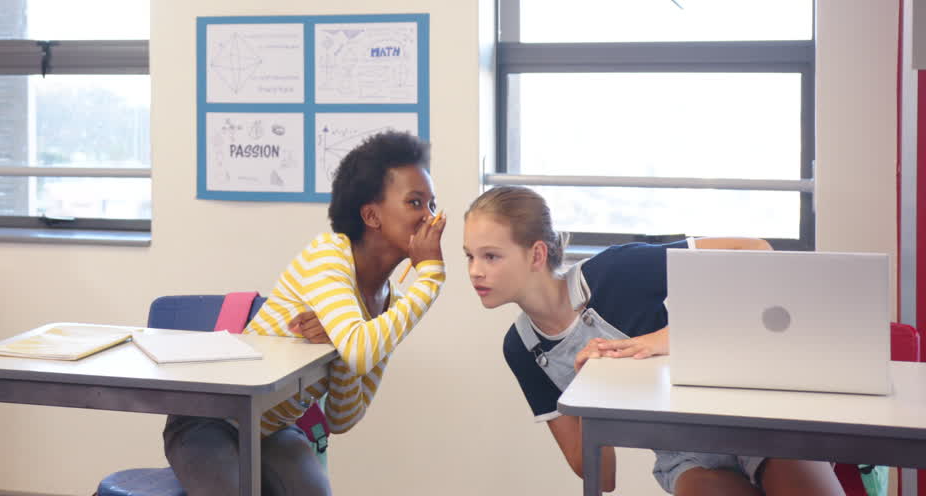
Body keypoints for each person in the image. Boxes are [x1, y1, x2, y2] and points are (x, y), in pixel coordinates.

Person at [463, 185, 843, 496]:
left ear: (536, 255)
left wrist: (669, 338)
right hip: (688, 457)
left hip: (754, 420)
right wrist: (587, 392)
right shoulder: (522, 348)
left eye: (491, 256)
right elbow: (601, 477)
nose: (475, 271)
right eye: (469, 257)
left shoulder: (616, 271)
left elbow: (755, 250)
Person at [164, 130, 447, 496]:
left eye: (432, 205)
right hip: (211, 418)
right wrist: (430, 277)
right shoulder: (328, 254)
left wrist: (337, 348)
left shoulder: (389, 303)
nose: (431, 218)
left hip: (273, 427)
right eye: (415, 203)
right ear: (371, 215)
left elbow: (344, 417)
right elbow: (361, 350)